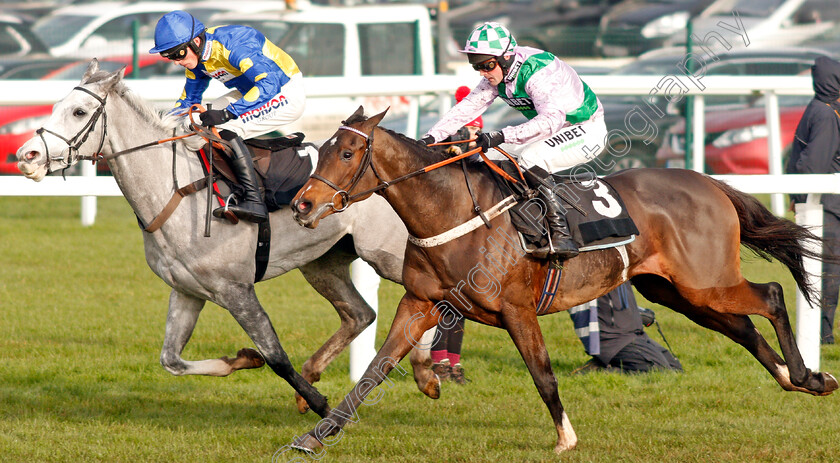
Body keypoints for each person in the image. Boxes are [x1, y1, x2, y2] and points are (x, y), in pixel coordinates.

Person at [421, 22, 608, 259]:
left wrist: (501, 135)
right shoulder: (499, 72)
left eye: (487, 65)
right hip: (553, 130)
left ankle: (561, 235)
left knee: (531, 158)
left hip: (586, 130)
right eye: (476, 66)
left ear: (507, 57)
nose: (482, 72)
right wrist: (429, 138)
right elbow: (466, 108)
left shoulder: (538, 73)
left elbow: (551, 121)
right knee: (487, 156)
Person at [149, 10, 306, 223]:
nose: (176, 62)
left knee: (226, 129)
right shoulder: (196, 56)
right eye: (168, 56)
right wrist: (159, 125)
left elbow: (269, 84)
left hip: (283, 91)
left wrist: (227, 113)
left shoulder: (233, 45)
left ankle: (254, 201)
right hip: (251, 91)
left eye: (178, 54)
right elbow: (187, 103)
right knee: (193, 122)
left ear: (195, 41)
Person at [785, 56, 840, 344]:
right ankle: (822, 336)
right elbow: (813, 164)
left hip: (818, 202)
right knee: (827, 271)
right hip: (826, 206)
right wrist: (803, 195)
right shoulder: (827, 114)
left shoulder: (819, 107)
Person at [570, 282, 682, 374]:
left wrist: (642, 313)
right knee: (659, 371)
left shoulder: (620, 267)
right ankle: (598, 370)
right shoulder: (594, 270)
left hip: (636, 335)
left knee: (675, 367)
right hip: (615, 340)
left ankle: (609, 363)